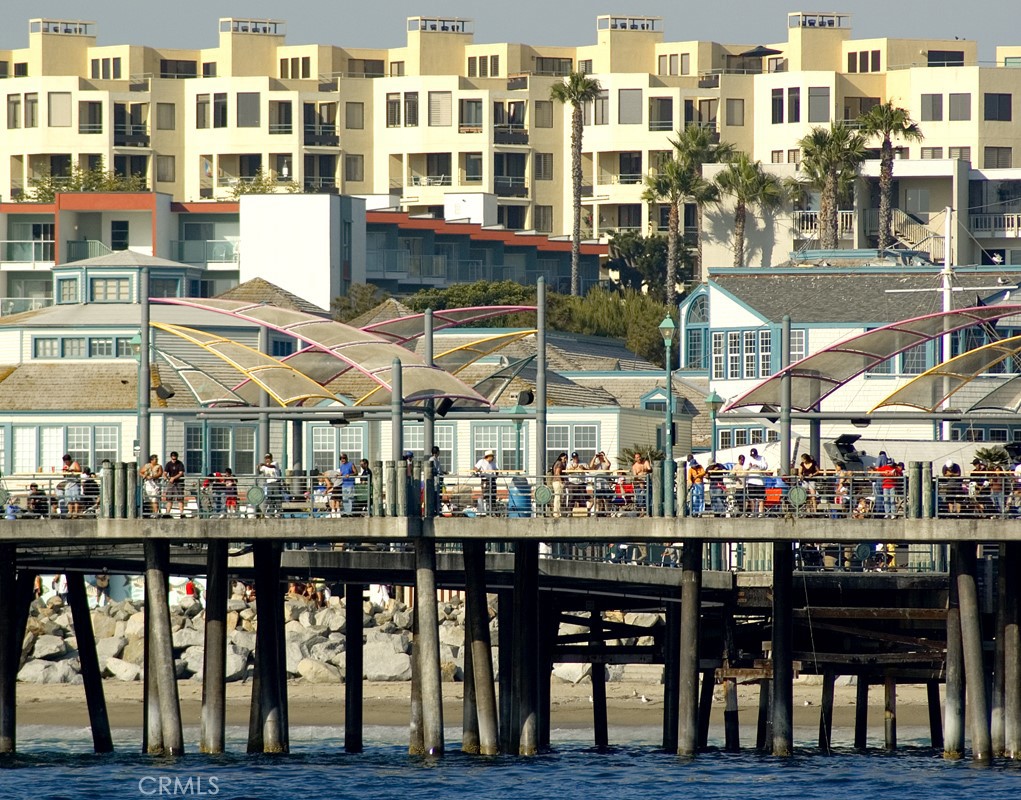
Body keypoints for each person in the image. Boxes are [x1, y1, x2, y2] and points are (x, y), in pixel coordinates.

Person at [474, 449, 498, 514]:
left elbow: (496, 470)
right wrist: (477, 471)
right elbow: (475, 468)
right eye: (492, 456)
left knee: (493, 495)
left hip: (492, 480)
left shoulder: (493, 463)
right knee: (487, 495)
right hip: (485, 480)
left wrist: (496, 476)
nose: (493, 458)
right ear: (488, 456)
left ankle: (493, 510)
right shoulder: (481, 461)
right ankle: (487, 510)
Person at [746, 448, 768, 516]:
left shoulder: (762, 458)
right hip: (751, 481)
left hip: (760, 481)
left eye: (754, 455)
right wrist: (749, 466)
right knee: (752, 498)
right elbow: (744, 468)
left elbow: (765, 466)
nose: (753, 457)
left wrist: (758, 466)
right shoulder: (748, 458)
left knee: (760, 498)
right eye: (752, 455)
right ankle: (753, 512)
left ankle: (761, 513)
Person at [163, 451, 185, 517]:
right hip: (171, 483)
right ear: (171, 457)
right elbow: (165, 473)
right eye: (173, 458)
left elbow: (181, 473)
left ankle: (182, 513)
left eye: (175, 458)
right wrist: (167, 477)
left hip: (179, 482)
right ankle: (167, 513)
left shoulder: (180, 464)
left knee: (180, 498)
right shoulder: (168, 464)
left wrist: (174, 478)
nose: (174, 459)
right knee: (169, 498)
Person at [550, 452, 568, 517]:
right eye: (565, 458)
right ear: (561, 457)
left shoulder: (557, 463)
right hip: (557, 482)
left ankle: (558, 512)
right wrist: (561, 481)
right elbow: (557, 473)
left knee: (558, 497)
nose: (565, 459)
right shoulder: (559, 463)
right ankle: (556, 512)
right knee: (558, 497)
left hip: (555, 481)